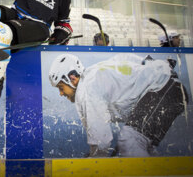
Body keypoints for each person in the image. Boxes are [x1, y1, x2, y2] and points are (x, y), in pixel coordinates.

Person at [49, 53, 188, 157]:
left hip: (163, 87)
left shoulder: (87, 88)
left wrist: (94, 162)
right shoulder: (94, 73)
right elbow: (131, 59)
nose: (61, 93)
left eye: (61, 87)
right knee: (141, 145)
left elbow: (101, 142)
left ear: (72, 78)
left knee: (130, 140)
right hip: (170, 87)